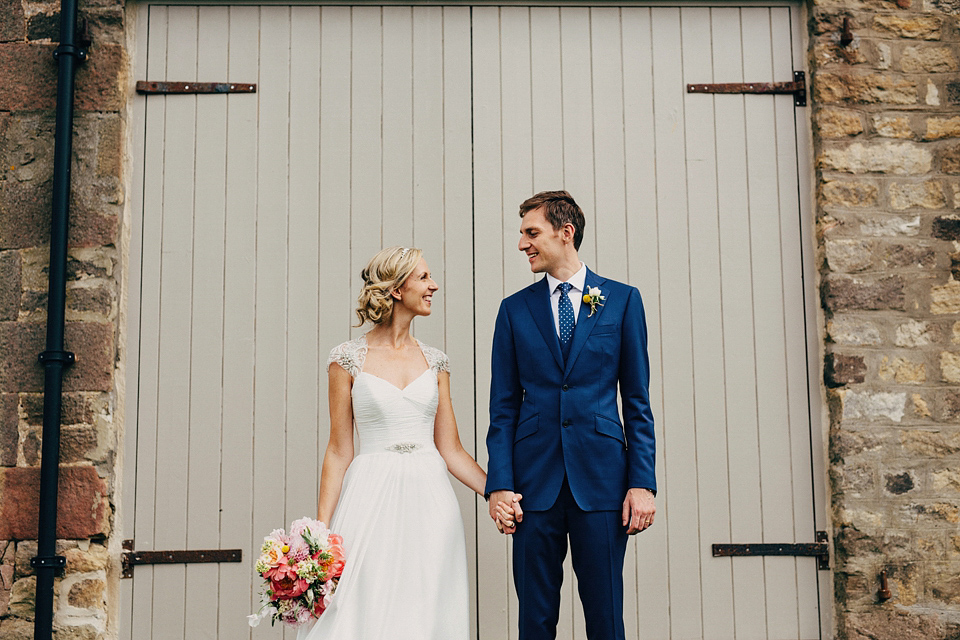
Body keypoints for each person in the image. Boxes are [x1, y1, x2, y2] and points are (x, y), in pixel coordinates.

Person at [300, 246, 515, 640]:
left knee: (427, 609)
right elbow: (338, 449)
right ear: (397, 289)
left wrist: (497, 492)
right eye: (424, 278)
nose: (434, 285)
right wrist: (320, 530)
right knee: (364, 607)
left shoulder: (436, 362)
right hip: (370, 496)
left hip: (431, 501)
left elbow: (451, 449)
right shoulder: (346, 359)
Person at [484, 191, 657, 640]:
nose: (522, 244)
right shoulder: (513, 310)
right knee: (535, 621)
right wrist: (499, 485)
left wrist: (642, 483)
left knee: (605, 618)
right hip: (532, 487)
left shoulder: (621, 301)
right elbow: (502, 409)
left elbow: (637, 402)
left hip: (601, 483)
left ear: (566, 233)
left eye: (531, 233)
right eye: (522, 234)